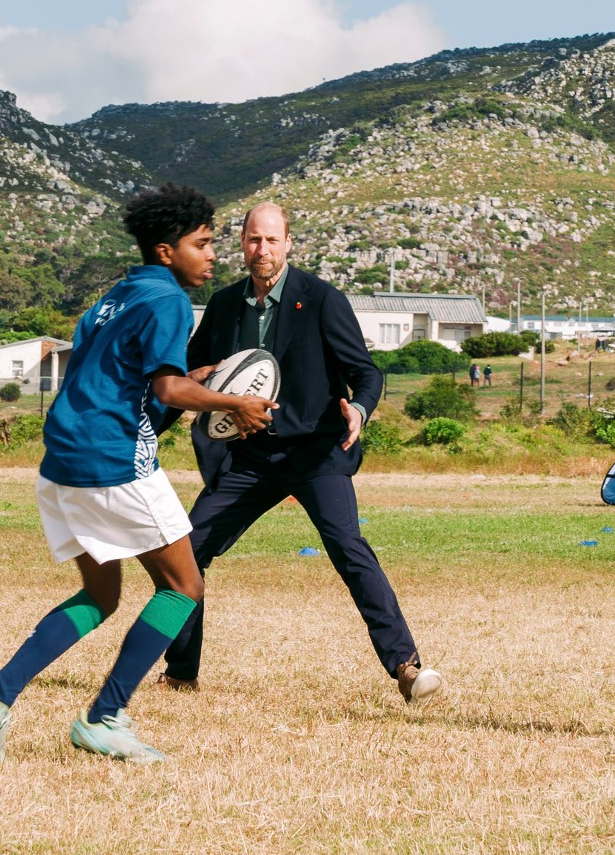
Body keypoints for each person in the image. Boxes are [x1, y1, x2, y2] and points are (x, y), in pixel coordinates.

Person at [0, 184, 275, 764]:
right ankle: (104, 718)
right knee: (183, 586)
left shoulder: (118, 295)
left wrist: (198, 380)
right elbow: (165, 388)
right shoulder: (170, 301)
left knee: (100, 595)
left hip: (63, 460)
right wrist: (233, 404)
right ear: (165, 250)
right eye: (201, 245)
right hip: (113, 459)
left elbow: (120, 375)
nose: (211, 256)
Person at [160, 202, 443, 704]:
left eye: (271, 240)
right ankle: (181, 671)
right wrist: (183, 395)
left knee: (348, 548)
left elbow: (367, 373)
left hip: (316, 453)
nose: (261, 249)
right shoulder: (225, 306)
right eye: (252, 240)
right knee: (187, 552)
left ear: (288, 243)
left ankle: (404, 665)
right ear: (241, 244)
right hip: (248, 458)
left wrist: (358, 409)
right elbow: (182, 376)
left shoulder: (321, 299)